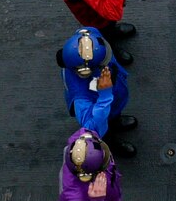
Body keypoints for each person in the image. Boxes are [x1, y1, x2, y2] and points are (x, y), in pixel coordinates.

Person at [56, 26, 137, 158]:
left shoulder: (91, 36)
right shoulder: (80, 97)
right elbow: (93, 126)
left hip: (114, 99)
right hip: (102, 108)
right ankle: (112, 145)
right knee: (104, 133)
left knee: (113, 114)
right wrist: (105, 94)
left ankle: (115, 119)